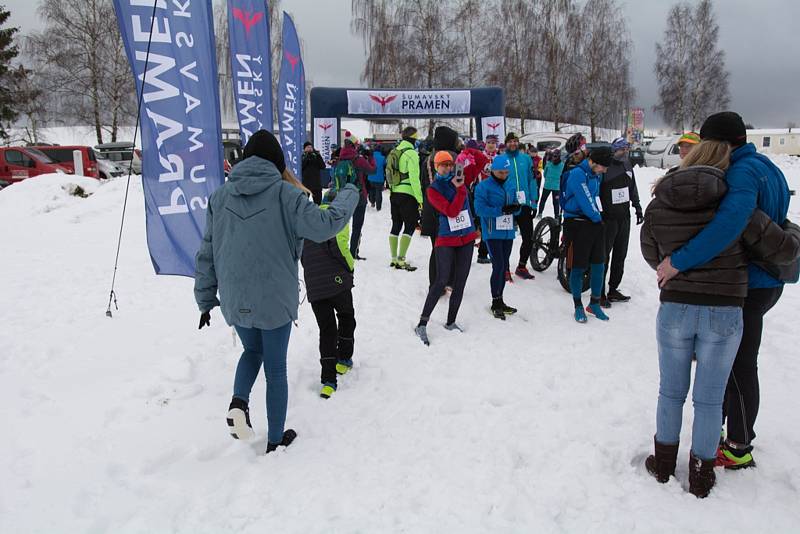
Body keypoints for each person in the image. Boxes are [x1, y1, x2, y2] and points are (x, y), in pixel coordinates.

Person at [640, 139, 799, 498]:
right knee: (710, 398)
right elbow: (781, 248)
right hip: (724, 311)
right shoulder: (733, 204)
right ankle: (702, 474)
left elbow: (651, 253)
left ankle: (663, 464)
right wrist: (790, 229)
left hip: (675, 308)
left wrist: (677, 267)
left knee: (671, 391)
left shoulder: (660, 201)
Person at [194, 130, 359, 454]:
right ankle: (275, 441)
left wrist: (204, 299)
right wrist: (349, 193)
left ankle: (238, 403)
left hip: (235, 297)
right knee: (275, 368)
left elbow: (206, 252)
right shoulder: (286, 195)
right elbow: (325, 226)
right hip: (273, 298)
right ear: (277, 163)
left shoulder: (219, 197)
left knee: (251, 351)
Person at [414, 151, 478, 345]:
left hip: (466, 237)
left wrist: (469, 151)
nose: (448, 168)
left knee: (460, 281)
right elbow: (451, 211)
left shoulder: (460, 180)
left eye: (450, 164)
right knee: (441, 281)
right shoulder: (434, 189)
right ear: (436, 166)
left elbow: (482, 162)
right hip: (446, 239)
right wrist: (460, 190)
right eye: (443, 164)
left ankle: (451, 322)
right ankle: (422, 324)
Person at [301, 190, 357, 399]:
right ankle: (343, 359)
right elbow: (341, 245)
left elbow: (302, 255)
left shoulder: (307, 221)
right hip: (336, 281)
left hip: (315, 285)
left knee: (326, 330)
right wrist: (349, 268)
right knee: (346, 317)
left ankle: (328, 380)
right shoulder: (336, 217)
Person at [561, 144, 613, 323]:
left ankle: (595, 303)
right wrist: (597, 218)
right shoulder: (577, 174)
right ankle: (577, 306)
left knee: (599, 264)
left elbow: (595, 198)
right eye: (603, 166)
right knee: (578, 267)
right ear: (593, 162)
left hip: (594, 222)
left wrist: (599, 217)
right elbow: (585, 199)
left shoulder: (595, 175)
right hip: (577, 223)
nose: (604, 170)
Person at [474, 154, 520, 320]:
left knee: (504, 266)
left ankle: (501, 300)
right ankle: (495, 301)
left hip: (508, 231)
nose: (503, 175)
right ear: (493, 170)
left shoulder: (511, 184)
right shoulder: (484, 187)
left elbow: (516, 206)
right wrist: (501, 210)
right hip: (492, 232)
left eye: (506, 172)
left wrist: (516, 208)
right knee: (498, 266)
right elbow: (479, 209)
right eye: (500, 172)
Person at [599, 136, 643, 306]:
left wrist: (637, 207)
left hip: (624, 217)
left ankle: (613, 290)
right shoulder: (605, 167)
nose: (625, 152)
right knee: (604, 256)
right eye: (622, 149)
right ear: (614, 150)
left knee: (620, 255)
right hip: (608, 218)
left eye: (627, 149)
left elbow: (633, 187)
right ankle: (599, 292)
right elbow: (596, 190)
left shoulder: (627, 165)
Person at [422, 126, 461, 288]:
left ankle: (435, 283)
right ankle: (450, 280)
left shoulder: (426, 160)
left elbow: (422, 182)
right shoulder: (457, 159)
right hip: (450, 207)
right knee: (452, 247)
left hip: (431, 207)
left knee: (436, 247)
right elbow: (460, 183)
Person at [333, 132, 376, 260]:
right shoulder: (359, 159)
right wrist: (371, 156)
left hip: (342, 196)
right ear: (354, 145)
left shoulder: (340, 158)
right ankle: (353, 253)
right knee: (357, 226)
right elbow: (373, 171)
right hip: (358, 196)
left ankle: (338, 250)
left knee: (341, 225)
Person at [503, 132, 538, 281]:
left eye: (515, 141)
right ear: (506, 144)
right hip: (508, 205)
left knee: (528, 238)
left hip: (523, 204)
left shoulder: (526, 159)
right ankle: (504, 269)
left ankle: (521, 266)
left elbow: (532, 180)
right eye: (510, 141)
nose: (513, 144)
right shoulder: (501, 159)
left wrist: (534, 201)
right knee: (506, 238)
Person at [388, 126, 423, 271]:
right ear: (413, 139)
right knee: (410, 225)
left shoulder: (394, 151)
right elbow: (414, 179)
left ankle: (394, 258)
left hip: (394, 192)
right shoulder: (411, 154)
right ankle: (402, 259)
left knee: (396, 225)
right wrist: (420, 199)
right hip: (408, 194)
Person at [538, 148, 563, 218]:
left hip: (548, 185)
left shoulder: (549, 164)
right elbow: (563, 175)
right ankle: (557, 216)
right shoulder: (562, 165)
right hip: (556, 187)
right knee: (556, 203)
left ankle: (540, 213)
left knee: (543, 200)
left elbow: (545, 174)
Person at [367, 145, 387, 210]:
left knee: (371, 190)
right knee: (378, 192)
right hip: (379, 178)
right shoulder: (383, 158)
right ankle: (378, 207)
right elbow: (385, 166)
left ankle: (372, 202)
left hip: (370, 177)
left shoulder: (370, 158)